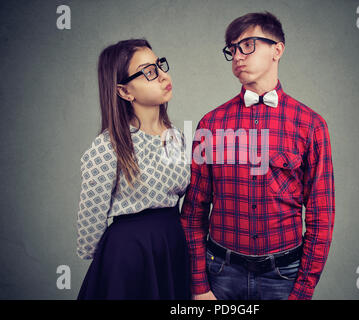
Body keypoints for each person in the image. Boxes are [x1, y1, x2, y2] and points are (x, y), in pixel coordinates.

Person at [180, 12, 335, 300]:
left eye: (248, 45)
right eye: (233, 49)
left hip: (284, 276)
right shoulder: (210, 124)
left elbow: (321, 216)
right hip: (220, 273)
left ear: (278, 50)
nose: (238, 55)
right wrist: (199, 286)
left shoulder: (311, 125)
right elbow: (193, 211)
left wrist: (302, 291)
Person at [76, 38, 191, 300]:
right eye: (149, 72)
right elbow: (89, 227)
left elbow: (183, 193)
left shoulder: (175, 138)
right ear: (125, 92)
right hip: (130, 257)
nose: (163, 76)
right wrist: (116, 260)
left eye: (159, 65)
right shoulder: (107, 147)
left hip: (172, 249)